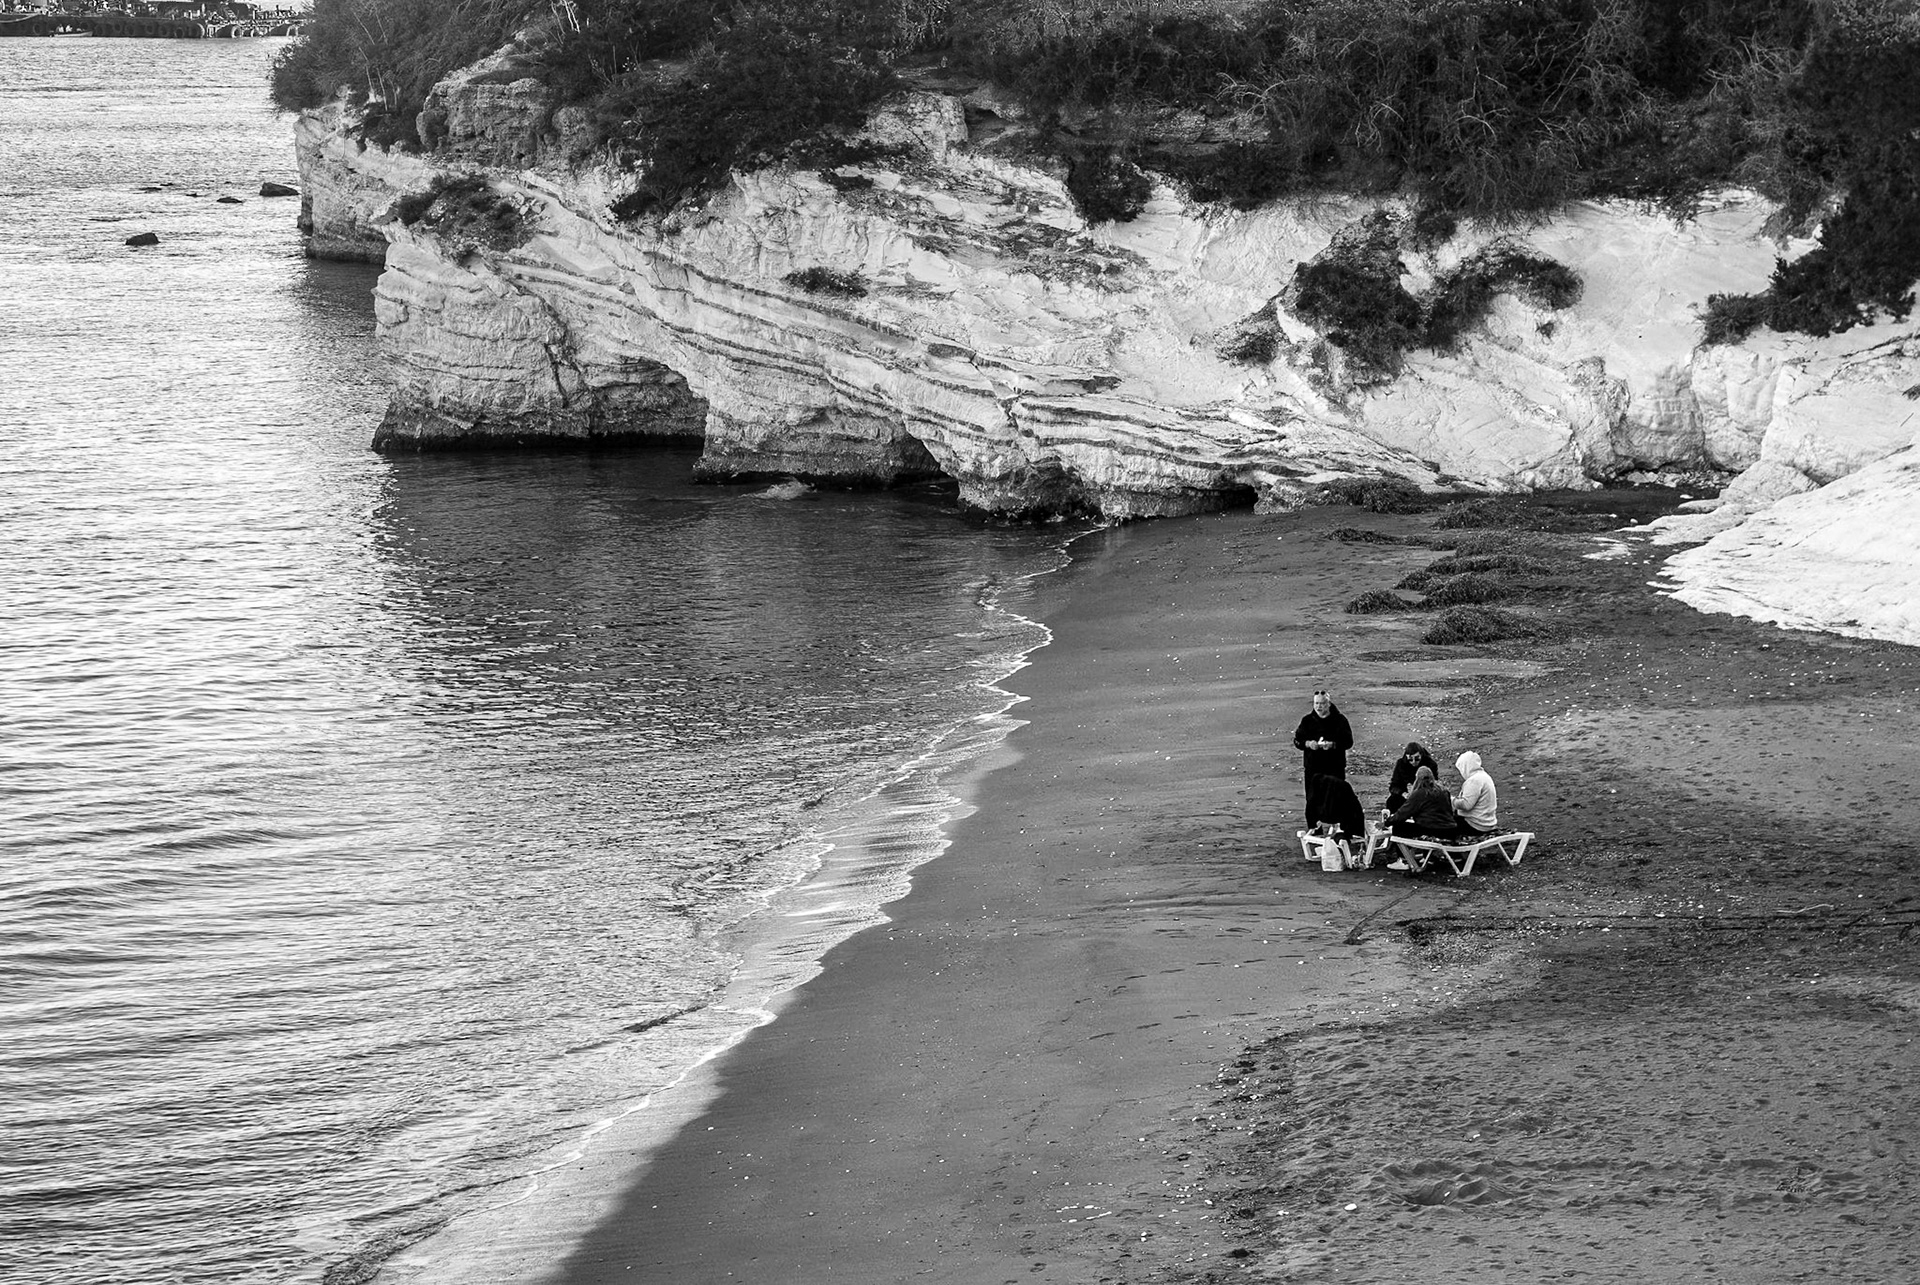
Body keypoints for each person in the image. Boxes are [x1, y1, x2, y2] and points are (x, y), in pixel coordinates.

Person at [1291, 690, 1353, 808]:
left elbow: (1348, 742)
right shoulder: (1307, 721)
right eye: (1316, 703)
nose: (1319, 707)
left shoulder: (1340, 720)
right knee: (1312, 800)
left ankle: (1336, 825)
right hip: (1313, 768)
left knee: (1336, 798)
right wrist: (1308, 744)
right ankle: (1315, 826)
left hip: (1335, 767)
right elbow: (1297, 740)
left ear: (1329, 704)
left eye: (1322, 703)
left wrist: (1333, 745)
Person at [1382, 765, 1456, 840]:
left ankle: (1402, 850)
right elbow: (1450, 812)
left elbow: (1403, 813)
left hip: (1432, 830)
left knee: (1399, 828)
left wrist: (1387, 823)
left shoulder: (1420, 793)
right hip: (1450, 830)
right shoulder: (1444, 791)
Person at [1305, 772, 1367, 842]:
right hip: (1338, 815)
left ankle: (1317, 829)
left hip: (1321, 813)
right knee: (1342, 794)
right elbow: (1355, 810)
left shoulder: (1316, 782)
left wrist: (1312, 823)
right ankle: (1345, 833)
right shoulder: (1344, 786)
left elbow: (1310, 803)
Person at [1451, 750, 1499, 838]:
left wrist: (1451, 800)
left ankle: (1453, 851)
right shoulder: (1484, 776)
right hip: (1487, 822)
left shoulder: (1474, 780)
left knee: (1444, 824)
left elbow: (1466, 805)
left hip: (1475, 825)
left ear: (1466, 767)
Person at [1383, 741, 1440, 812]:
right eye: (1410, 759)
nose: (1413, 762)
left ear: (1421, 755)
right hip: (1406, 796)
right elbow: (1393, 786)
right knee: (1392, 801)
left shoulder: (1431, 764)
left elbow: (1434, 785)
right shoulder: (1401, 764)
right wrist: (1404, 794)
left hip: (1424, 796)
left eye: (1417, 759)